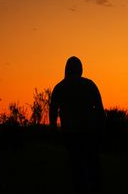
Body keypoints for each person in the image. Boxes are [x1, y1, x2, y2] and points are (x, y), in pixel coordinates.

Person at [50, 56, 106, 194]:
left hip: (70, 134)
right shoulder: (90, 85)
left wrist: (54, 130)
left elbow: (52, 112)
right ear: (80, 69)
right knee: (92, 166)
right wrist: (101, 130)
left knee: (76, 167)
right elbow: (100, 110)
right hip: (90, 133)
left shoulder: (59, 87)